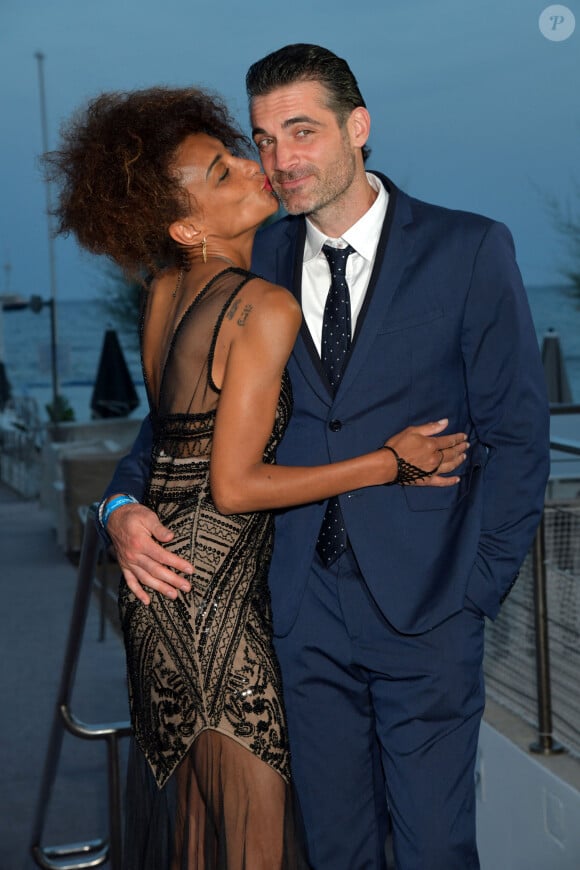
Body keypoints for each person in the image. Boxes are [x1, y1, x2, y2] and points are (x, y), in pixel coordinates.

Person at [99, 46, 550, 870]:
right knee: (336, 849)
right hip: (291, 613)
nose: (279, 159)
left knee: (435, 844)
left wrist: (477, 588)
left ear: (358, 128)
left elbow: (517, 433)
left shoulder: (469, 248)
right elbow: (166, 432)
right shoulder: (250, 262)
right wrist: (119, 510)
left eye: (301, 131)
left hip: (430, 607)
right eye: (264, 138)